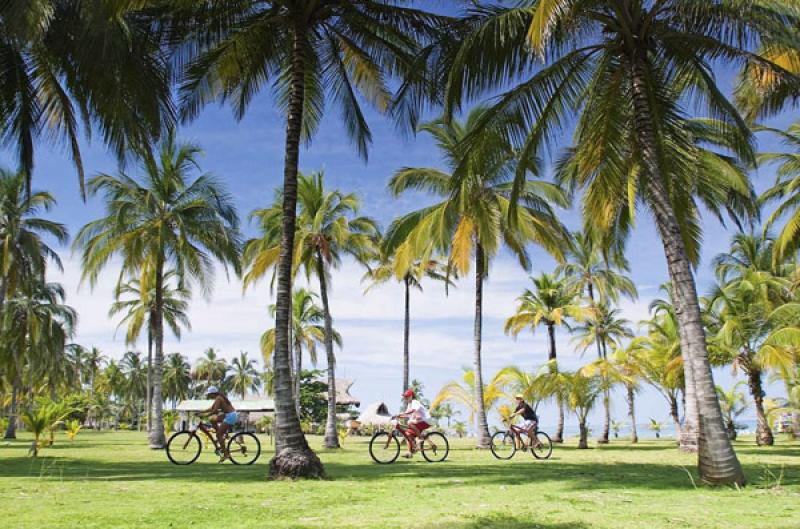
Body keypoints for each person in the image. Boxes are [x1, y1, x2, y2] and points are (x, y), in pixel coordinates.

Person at [199, 386, 238, 462]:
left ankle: (226, 454)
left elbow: (214, 411)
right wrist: (201, 412)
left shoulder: (218, 398)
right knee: (212, 419)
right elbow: (211, 408)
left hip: (230, 416)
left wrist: (204, 415)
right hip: (229, 415)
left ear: (213, 394)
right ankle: (221, 435)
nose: (209, 396)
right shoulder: (218, 398)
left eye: (209, 394)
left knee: (218, 435)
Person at [396, 388, 430, 458]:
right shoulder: (409, 404)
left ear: (411, 396)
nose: (405, 398)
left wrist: (402, 414)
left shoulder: (415, 402)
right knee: (407, 435)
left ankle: (420, 438)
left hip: (425, 421)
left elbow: (412, 411)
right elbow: (407, 414)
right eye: (405, 397)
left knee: (409, 423)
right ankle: (410, 452)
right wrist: (398, 416)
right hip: (419, 422)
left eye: (406, 396)